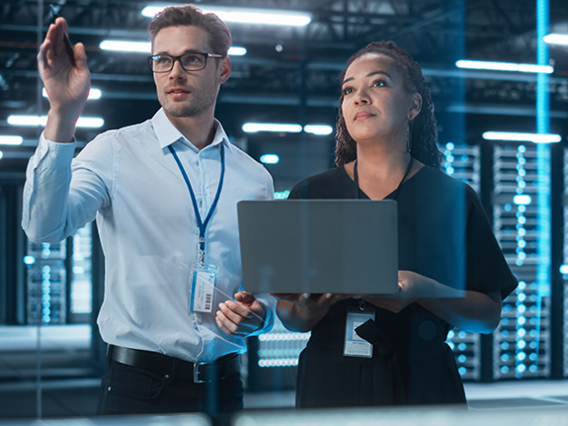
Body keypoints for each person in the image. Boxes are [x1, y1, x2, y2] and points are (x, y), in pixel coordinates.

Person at [22, 4, 275, 418]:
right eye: (162, 59)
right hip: (138, 389)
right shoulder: (114, 151)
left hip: (226, 387)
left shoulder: (254, 178)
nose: (175, 72)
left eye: (192, 59)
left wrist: (260, 316)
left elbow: (264, 288)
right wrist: (62, 113)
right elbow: (43, 227)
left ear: (223, 69)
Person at [275, 41, 517, 408]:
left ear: (413, 105)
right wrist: (310, 309)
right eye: (349, 90)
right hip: (331, 381)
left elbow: (488, 316)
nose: (361, 97)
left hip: (423, 380)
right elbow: (290, 314)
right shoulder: (311, 194)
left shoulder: (452, 198)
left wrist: (424, 289)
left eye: (379, 84)